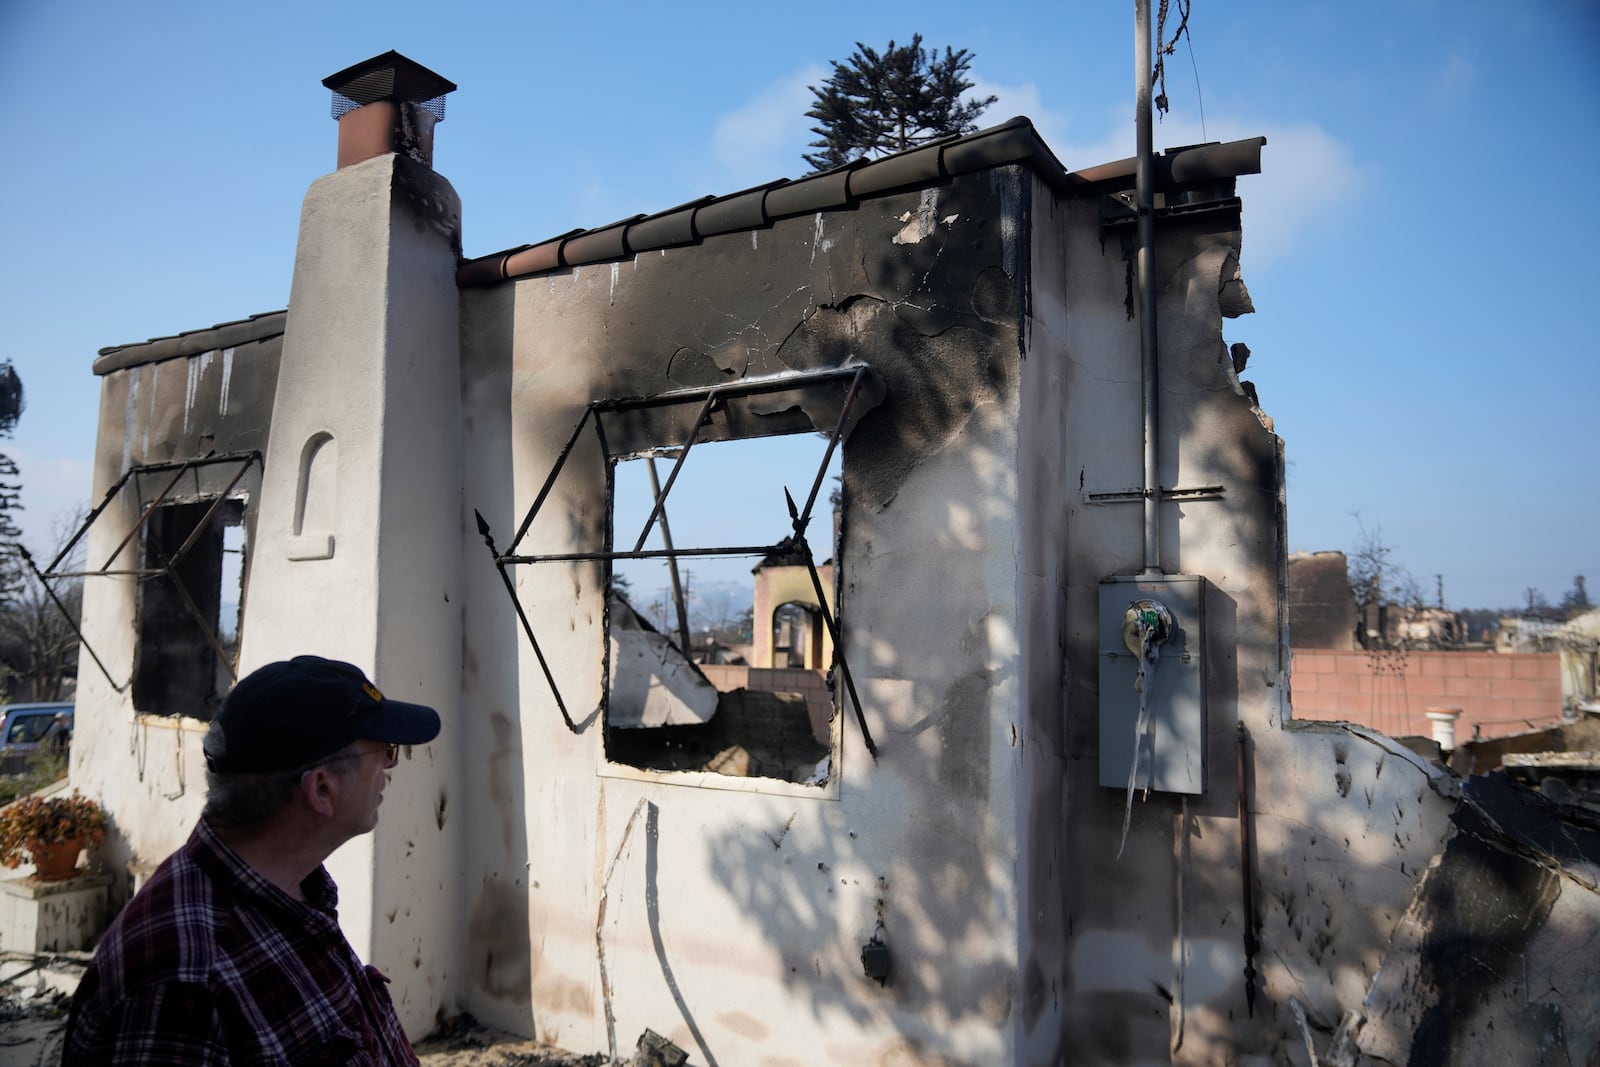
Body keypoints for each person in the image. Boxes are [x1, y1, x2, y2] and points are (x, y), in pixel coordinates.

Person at [62, 655, 441, 1065]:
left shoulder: (294, 891)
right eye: (384, 749)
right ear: (322, 789)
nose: (389, 765)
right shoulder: (182, 983)